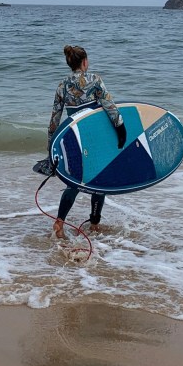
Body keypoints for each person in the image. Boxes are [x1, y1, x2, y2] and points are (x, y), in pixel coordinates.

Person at [46, 45, 126, 238]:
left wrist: (51, 148)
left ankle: (60, 221)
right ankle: (95, 223)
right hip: (95, 136)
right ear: (84, 62)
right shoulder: (95, 80)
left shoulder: (62, 86)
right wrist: (120, 129)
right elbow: (110, 106)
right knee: (99, 179)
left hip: (75, 137)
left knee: (74, 181)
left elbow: (54, 121)